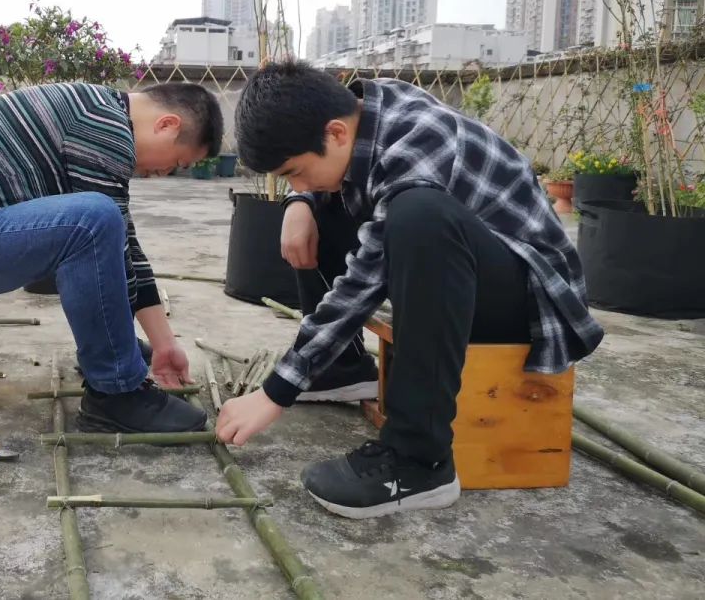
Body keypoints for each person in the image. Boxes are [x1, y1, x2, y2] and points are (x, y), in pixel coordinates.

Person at [215, 63, 603, 519]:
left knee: (419, 213)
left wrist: (276, 390)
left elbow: (365, 279)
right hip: (466, 275)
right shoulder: (368, 111)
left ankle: (420, 459)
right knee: (327, 205)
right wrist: (300, 202)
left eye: (295, 172)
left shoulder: (421, 140)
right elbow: (344, 203)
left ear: (336, 133)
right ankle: (342, 370)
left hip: (530, 299)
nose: (295, 183)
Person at [0, 81, 224, 434]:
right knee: (94, 218)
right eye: (178, 162)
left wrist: (165, 344)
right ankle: (115, 395)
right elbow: (110, 238)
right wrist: (149, 346)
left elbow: (124, 243)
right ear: (167, 125)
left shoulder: (99, 109)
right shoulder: (105, 126)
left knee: (99, 222)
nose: (165, 172)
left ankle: (109, 353)